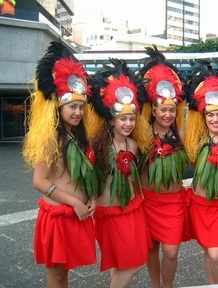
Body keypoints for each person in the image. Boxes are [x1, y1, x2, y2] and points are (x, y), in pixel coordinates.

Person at [22, 40, 97, 287]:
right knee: (57, 274)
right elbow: (39, 181)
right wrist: (75, 201)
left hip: (77, 214)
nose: (77, 112)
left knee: (66, 273)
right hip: (58, 216)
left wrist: (91, 198)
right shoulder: (51, 138)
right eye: (72, 107)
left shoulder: (78, 136)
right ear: (59, 107)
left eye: (81, 107)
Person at [89, 58, 153, 288]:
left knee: (127, 262)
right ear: (112, 120)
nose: (128, 123)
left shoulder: (134, 145)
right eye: (123, 119)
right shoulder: (99, 146)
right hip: (109, 213)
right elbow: (90, 178)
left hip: (132, 209)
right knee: (130, 264)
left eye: (131, 119)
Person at [134, 45, 189, 288]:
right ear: (153, 109)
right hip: (148, 201)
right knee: (150, 249)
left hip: (173, 203)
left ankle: (167, 286)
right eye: (163, 109)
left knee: (171, 252)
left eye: (171, 110)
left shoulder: (183, 135)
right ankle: (156, 286)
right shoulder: (141, 133)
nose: (167, 114)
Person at [184, 64, 218, 285]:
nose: (215, 119)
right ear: (204, 116)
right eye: (210, 114)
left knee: (216, 253)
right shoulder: (196, 141)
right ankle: (212, 284)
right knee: (208, 252)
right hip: (200, 205)